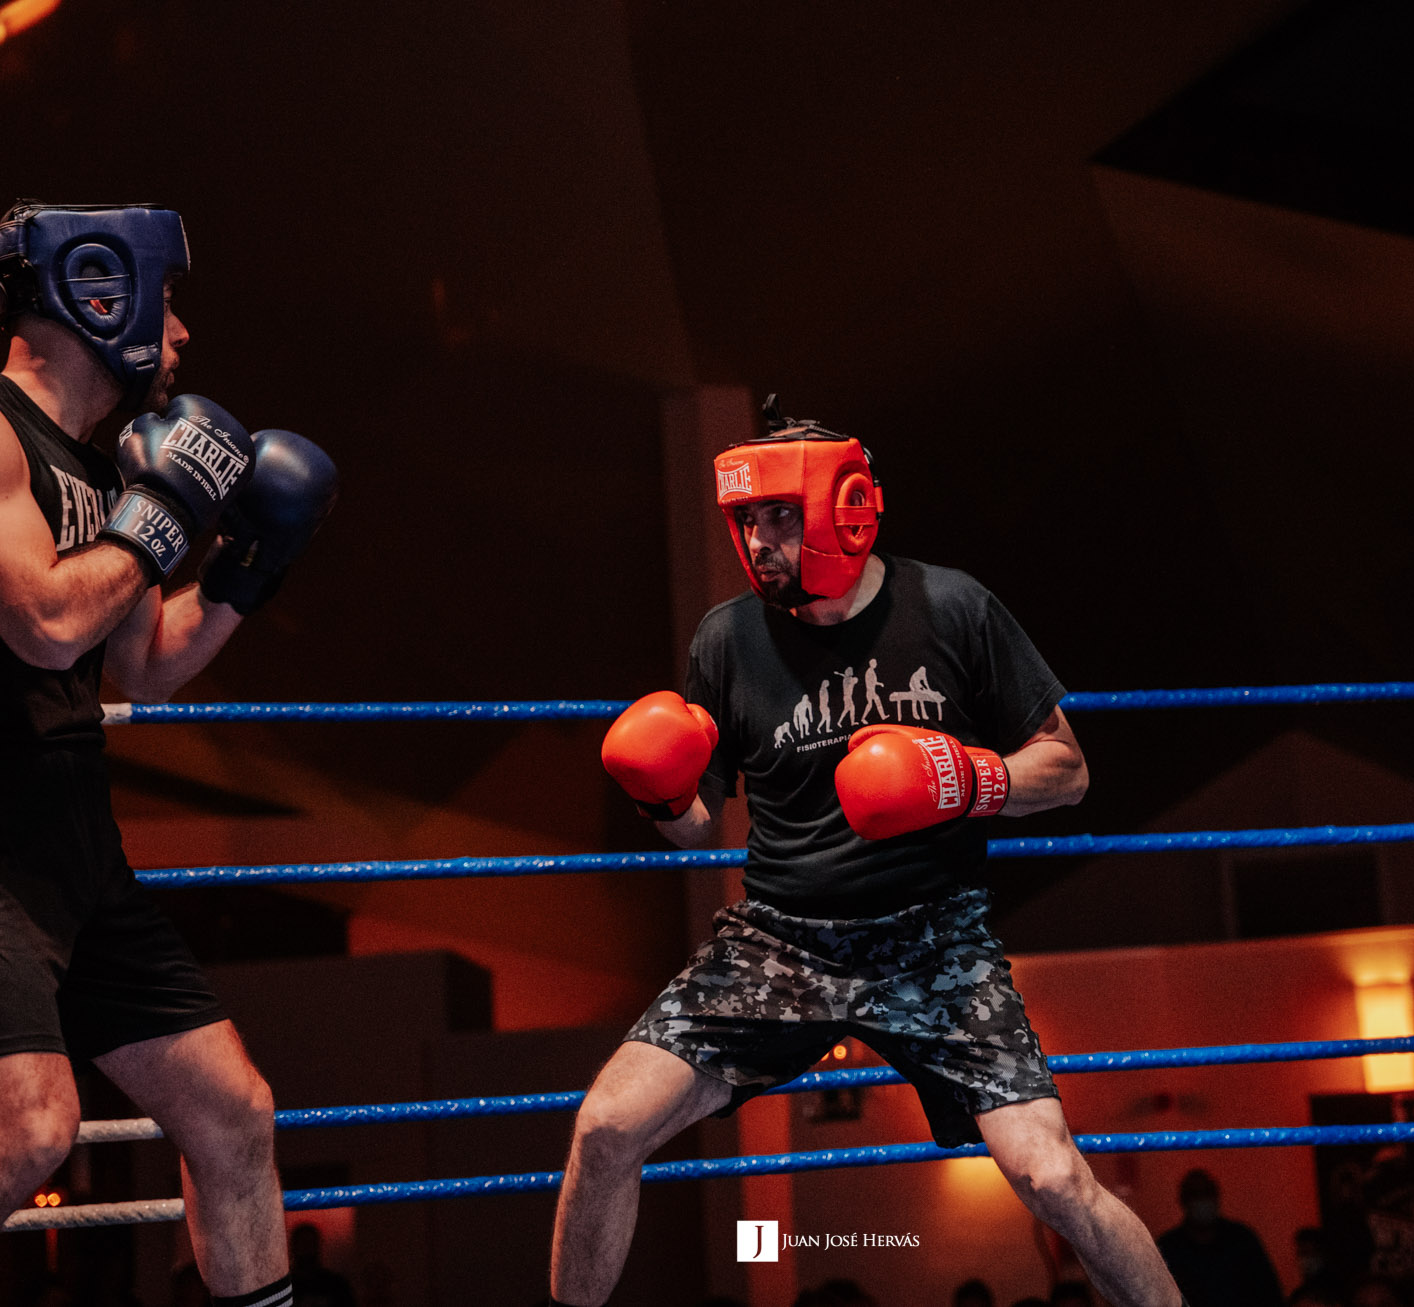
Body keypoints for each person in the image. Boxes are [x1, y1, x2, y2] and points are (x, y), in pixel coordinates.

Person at [549, 398, 1184, 1307]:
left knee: (1053, 1177)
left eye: (778, 516)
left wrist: (967, 780)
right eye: (746, 520)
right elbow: (698, 826)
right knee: (605, 1126)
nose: (759, 541)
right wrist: (658, 790)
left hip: (935, 939)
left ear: (845, 508)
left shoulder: (951, 607)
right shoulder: (726, 639)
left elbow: (1069, 770)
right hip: (780, 940)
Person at [0, 202, 336, 1307]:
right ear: (100, 291)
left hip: (71, 834)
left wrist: (246, 568)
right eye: (169, 301)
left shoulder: (112, 471)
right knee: (25, 1129)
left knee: (232, 1111)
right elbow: (47, 622)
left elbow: (146, 664)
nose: (182, 332)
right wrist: (162, 511)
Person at [1155, 1169, 1285, 1307]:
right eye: (1195, 1195)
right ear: (1183, 1201)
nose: (1202, 1201)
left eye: (1207, 1193)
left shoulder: (1242, 1241)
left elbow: (1270, 1294)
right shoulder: (1168, 1249)